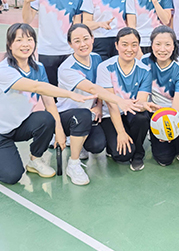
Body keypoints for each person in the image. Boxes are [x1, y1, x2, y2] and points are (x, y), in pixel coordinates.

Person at [0, 23, 94, 185]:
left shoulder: (38, 68)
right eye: (19, 40)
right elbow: (36, 87)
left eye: (29, 39)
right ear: (10, 45)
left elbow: (48, 100)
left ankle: (35, 160)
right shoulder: (3, 70)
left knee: (46, 119)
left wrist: (59, 130)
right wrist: (69, 93)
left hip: (19, 124)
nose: (25, 44)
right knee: (12, 177)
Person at [56, 24, 139, 184]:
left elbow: (101, 86)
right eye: (77, 41)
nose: (83, 44)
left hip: (91, 114)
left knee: (97, 145)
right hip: (69, 116)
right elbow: (92, 88)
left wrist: (100, 105)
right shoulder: (67, 68)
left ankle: (81, 141)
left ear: (93, 39)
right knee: (83, 116)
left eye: (86, 39)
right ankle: (73, 164)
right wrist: (120, 101)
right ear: (70, 44)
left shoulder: (96, 58)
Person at [96, 27, 154, 171]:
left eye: (134, 45)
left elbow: (140, 101)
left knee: (142, 117)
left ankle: (138, 153)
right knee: (121, 155)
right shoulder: (105, 67)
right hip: (111, 114)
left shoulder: (144, 70)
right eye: (124, 44)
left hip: (131, 112)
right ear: (116, 45)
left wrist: (145, 105)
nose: (129, 49)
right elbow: (111, 104)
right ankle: (116, 142)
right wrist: (121, 133)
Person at [22, 0, 83, 86]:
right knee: (50, 90)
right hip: (47, 51)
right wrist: (27, 1)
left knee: (69, 89)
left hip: (69, 52)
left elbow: (77, 28)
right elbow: (27, 20)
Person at [141, 26, 179, 166]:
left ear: (174, 46)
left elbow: (177, 104)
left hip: (178, 107)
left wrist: (170, 128)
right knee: (164, 159)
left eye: (167, 44)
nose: (162, 49)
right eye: (158, 44)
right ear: (151, 45)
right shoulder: (144, 62)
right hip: (156, 107)